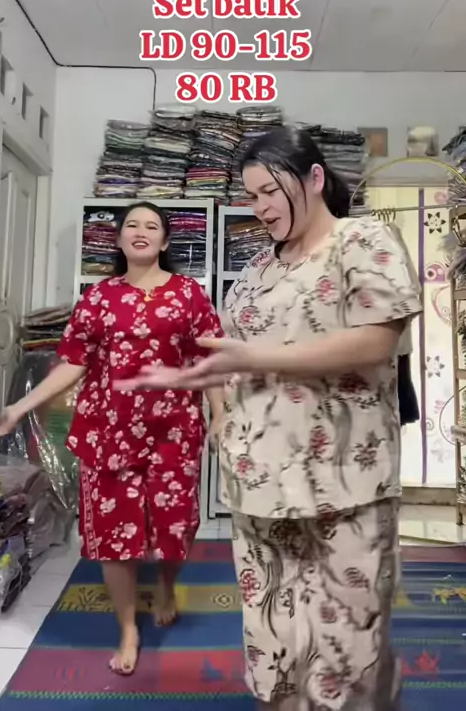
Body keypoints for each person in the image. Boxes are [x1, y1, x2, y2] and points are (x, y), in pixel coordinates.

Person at [116, 128, 422, 711]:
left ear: (314, 178)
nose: (259, 207)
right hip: (257, 482)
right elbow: (231, 353)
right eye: (251, 196)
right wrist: (203, 386)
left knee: (347, 643)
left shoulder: (363, 240)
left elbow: (375, 342)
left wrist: (255, 358)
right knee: (273, 636)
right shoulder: (258, 267)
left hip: (342, 485)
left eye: (270, 192)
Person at [0, 201, 224, 676]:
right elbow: (73, 362)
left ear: (165, 241)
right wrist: (21, 406)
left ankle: (167, 586)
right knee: (115, 536)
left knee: (175, 528)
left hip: (173, 431)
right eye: (131, 224)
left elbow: (209, 356)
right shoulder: (97, 298)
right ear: (118, 239)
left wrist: (220, 413)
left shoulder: (189, 294)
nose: (141, 231)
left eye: (151, 225)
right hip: (108, 434)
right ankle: (127, 627)